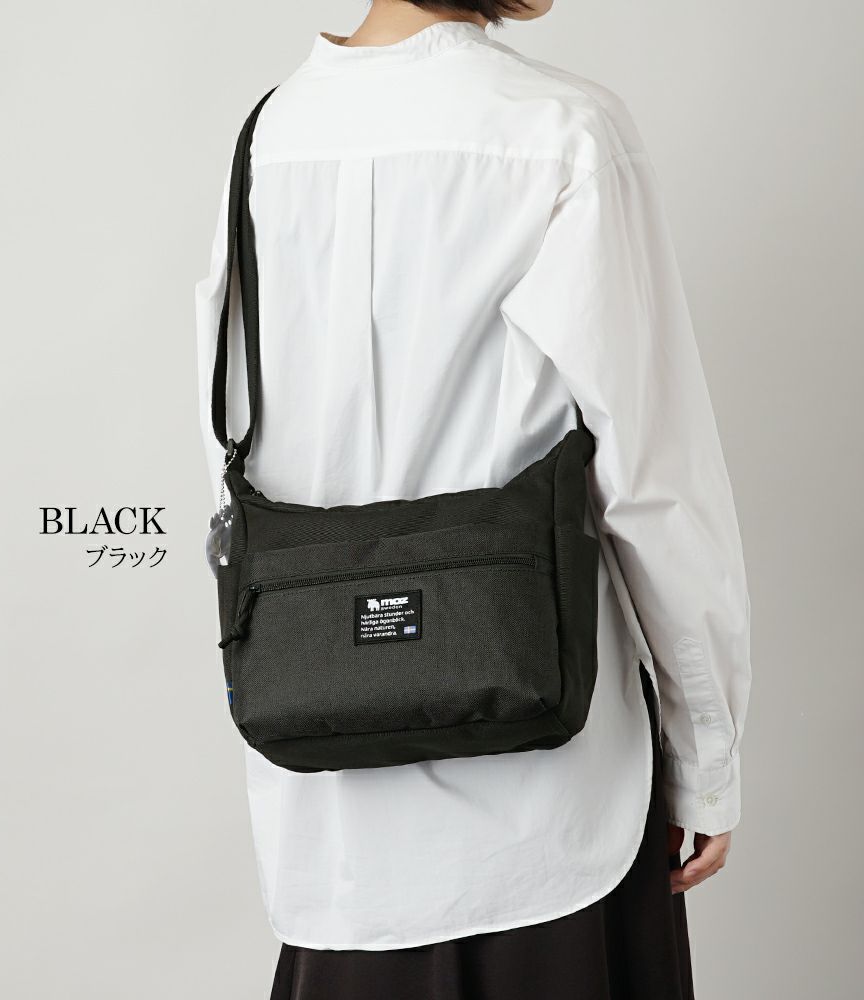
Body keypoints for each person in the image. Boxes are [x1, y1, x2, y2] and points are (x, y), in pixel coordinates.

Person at [194, 2, 752, 997]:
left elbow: (231, 454)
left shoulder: (267, 139)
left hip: (336, 845)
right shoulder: (564, 131)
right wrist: (705, 750)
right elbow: (653, 482)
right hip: (553, 818)